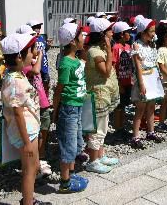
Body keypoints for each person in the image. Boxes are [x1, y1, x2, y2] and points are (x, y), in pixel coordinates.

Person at [0, 34, 53, 204]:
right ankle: (28, 202)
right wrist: (27, 142)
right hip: (25, 132)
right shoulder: (15, 81)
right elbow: (18, 113)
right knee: (29, 171)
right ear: (18, 56)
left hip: (30, 129)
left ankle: (30, 199)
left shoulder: (16, 74)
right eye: (31, 51)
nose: (34, 54)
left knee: (33, 167)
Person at [52, 23, 89, 191]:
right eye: (81, 36)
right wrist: (55, 110)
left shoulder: (75, 59)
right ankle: (65, 183)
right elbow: (59, 90)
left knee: (76, 142)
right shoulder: (66, 63)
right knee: (69, 144)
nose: (84, 38)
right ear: (73, 42)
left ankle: (72, 174)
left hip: (77, 106)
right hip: (69, 108)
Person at [85, 18, 120, 174]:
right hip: (97, 95)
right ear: (102, 35)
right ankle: (93, 161)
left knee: (103, 126)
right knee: (97, 130)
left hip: (103, 95)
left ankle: (101, 155)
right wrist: (109, 49)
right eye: (109, 31)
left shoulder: (100, 49)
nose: (112, 33)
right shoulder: (94, 51)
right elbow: (105, 72)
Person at [130, 18, 163, 149]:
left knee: (151, 106)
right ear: (143, 32)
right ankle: (135, 136)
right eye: (151, 31)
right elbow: (138, 66)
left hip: (152, 77)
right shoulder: (136, 46)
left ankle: (151, 131)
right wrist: (141, 84)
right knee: (140, 108)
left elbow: (155, 63)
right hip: (143, 78)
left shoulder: (151, 45)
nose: (154, 34)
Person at [22, 44, 52, 177]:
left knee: (45, 126)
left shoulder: (34, 62)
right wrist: (40, 56)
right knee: (36, 131)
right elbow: (35, 71)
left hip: (42, 100)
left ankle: (42, 152)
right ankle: (37, 160)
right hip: (33, 104)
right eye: (33, 48)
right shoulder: (25, 66)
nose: (37, 50)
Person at [111, 21, 133, 136]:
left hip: (128, 80)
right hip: (120, 82)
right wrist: (118, 84)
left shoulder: (129, 47)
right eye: (128, 32)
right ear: (121, 34)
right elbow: (113, 66)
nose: (130, 35)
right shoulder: (116, 48)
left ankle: (122, 127)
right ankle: (117, 129)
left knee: (124, 105)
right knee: (118, 107)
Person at [27, 20, 52, 96]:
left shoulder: (41, 37)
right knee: (36, 85)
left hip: (44, 64)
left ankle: (46, 101)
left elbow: (44, 50)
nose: (38, 29)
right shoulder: (29, 39)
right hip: (35, 66)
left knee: (46, 82)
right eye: (35, 27)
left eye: (39, 27)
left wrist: (48, 46)